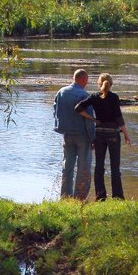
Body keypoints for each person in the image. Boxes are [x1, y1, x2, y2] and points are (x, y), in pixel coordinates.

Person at [75, 72, 131, 201]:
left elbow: (78, 108)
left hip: (99, 134)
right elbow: (119, 118)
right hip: (113, 134)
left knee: (99, 166)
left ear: (99, 83)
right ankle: (117, 197)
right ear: (111, 84)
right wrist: (126, 135)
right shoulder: (114, 97)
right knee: (115, 166)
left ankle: (100, 197)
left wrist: (93, 119)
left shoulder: (94, 97)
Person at [53, 68, 95, 199]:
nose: (86, 83)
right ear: (83, 79)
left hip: (66, 134)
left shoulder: (61, 92)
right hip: (82, 135)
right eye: (86, 80)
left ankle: (65, 196)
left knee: (67, 166)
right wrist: (93, 138)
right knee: (83, 168)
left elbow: (55, 111)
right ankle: (80, 198)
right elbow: (89, 118)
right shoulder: (84, 95)